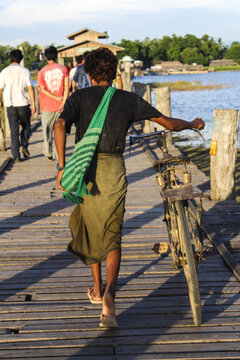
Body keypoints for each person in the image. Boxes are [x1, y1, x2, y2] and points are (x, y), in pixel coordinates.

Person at [54, 47, 205, 328]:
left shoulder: (79, 97)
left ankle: (98, 290)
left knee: (89, 226)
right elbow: (167, 123)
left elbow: (60, 125)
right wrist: (191, 123)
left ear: (87, 73)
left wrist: (62, 166)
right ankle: (111, 294)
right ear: (113, 73)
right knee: (112, 231)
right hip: (114, 170)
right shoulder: (127, 99)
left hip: (86, 171)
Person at [0, 49, 35, 161]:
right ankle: (24, 146)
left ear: (10, 58)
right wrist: (33, 104)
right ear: (21, 58)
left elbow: (0, 89)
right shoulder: (25, 71)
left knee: (13, 129)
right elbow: (30, 88)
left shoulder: (4, 72)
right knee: (26, 126)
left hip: (10, 104)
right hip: (23, 103)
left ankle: (15, 155)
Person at [37, 45, 69, 160]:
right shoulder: (63, 69)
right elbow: (66, 87)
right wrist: (63, 101)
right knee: (59, 131)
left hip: (46, 106)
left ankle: (48, 152)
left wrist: (56, 98)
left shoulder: (42, 72)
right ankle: (57, 154)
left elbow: (42, 90)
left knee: (46, 131)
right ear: (56, 56)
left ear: (45, 57)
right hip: (61, 106)